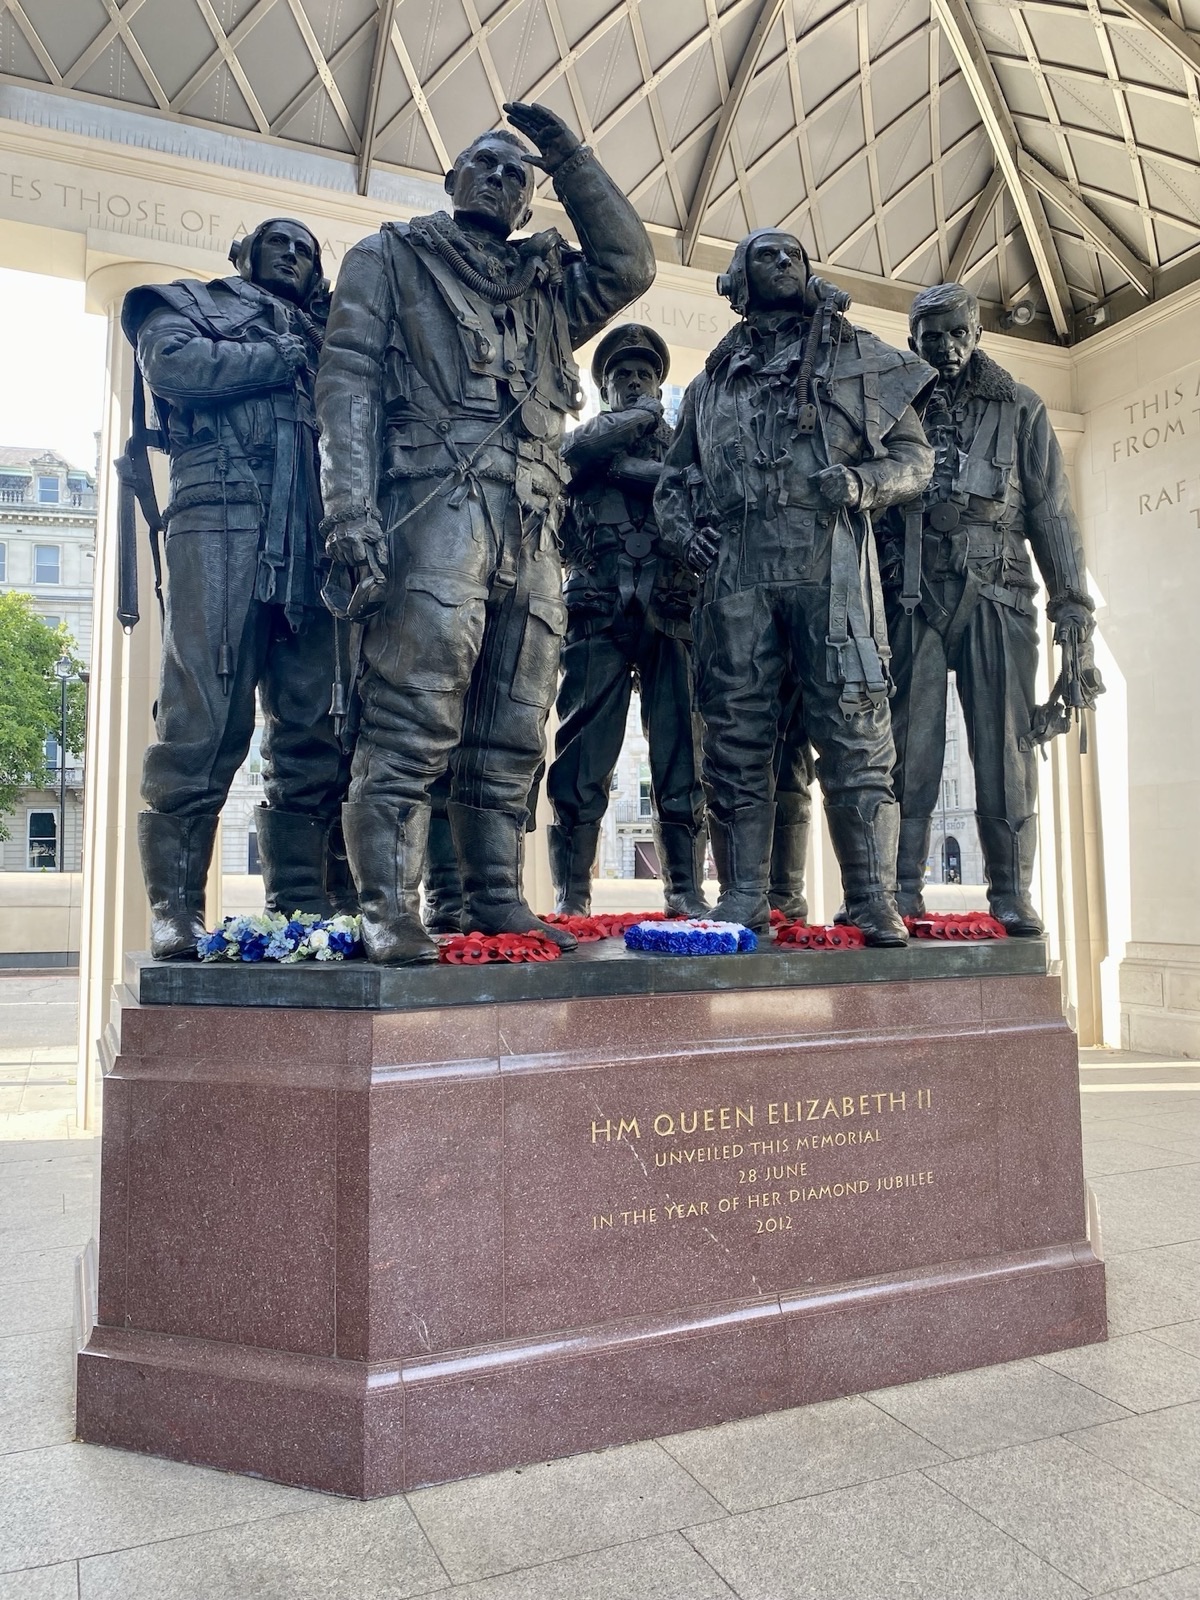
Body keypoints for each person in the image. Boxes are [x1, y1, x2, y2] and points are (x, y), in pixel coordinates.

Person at [315, 103, 655, 964]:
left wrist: (570, 156)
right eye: (485, 162)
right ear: (451, 176)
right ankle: (391, 903)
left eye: (519, 172)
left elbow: (629, 263)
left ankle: (497, 894)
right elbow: (346, 380)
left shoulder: (547, 286)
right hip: (435, 507)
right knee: (411, 711)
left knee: (513, 722)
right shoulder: (389, 256)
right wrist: (350, 509)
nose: (501, 177)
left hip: (532, 521)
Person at [654, 229, 935, 945]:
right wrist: (687, 534)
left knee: (854, 729)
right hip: (737, 574)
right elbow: (673, 482)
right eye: (765, 255)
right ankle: (745, 893)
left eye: (793, 255)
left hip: (830, 563)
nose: (782, 263)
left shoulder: (861, 355)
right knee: (736, 734)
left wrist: (864, 483)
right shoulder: (713, 378)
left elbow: (916, 461)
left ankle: (871, 896)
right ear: (740, 278)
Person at [123, 218, 352, 960]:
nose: (295, 253)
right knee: (204, 711)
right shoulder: (188, 303)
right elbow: (172, 366)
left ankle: (299, 897)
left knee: (315, 721)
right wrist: (276, 355)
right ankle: (176, 907)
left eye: (307, 248)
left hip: (312, 537)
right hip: (219, 517)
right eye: (280, 241)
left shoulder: (333, 340)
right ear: (243, 254)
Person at [878, 281, 1101, 934]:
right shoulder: (888, 411)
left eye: (956, 333)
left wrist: (1074, 608)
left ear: (976, 334)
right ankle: (900, 891)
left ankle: (1011, 892)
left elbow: (1052, 511)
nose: (944, 347)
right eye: (930, 336)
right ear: (912, 340)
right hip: (912, 598)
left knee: (1003, 750)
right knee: (904, 754)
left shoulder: (1022, 408)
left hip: (996, 598)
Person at [545, 322, 707, 918]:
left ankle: (685, 889)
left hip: (672, 608)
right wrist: (630, 439)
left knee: (682, 749)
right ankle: (573, 892)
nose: (635, 381)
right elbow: (564, 463)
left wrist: (627, 470)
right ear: (606, 389)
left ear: (661, 383)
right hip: (596, 607)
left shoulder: (686, 443)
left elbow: (702, 491)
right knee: (583, 749)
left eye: (645, 374)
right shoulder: (586, 442)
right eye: (622, 375)